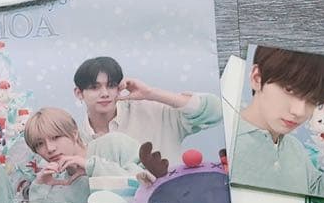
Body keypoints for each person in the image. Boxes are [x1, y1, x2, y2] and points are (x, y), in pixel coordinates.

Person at [230, 46, 324, 197]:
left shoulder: (295, 148)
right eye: (289, 90)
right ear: (257, 78)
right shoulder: (227, 139)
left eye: (313, 100)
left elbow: (316, 195)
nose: (299, 111)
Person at [72, 56, 223, 163]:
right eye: (94, 87)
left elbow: (215, 111)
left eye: (111, 85)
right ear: (79, 93)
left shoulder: (153, 112)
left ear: (119, 87)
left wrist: (151, 93)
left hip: (173, 198)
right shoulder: (75, 139)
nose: (105, 93)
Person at [22, 106, 141, 203]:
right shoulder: (56, 184)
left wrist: (92, 167)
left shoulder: (114, 144)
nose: (50, 148)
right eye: (39, 144)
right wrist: (40, 187)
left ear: (74, 133)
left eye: (56, 137)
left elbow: (147, 185)